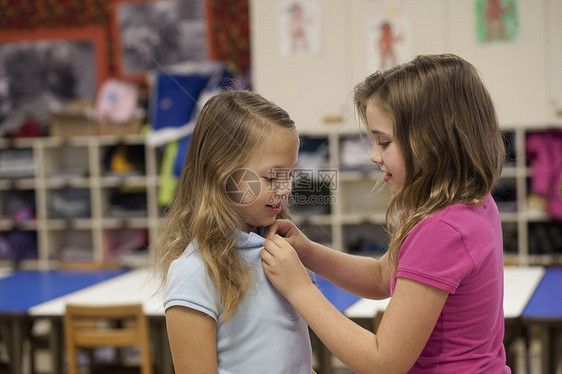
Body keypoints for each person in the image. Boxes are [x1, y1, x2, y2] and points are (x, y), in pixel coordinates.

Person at [261, 53, 511, 373]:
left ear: (433, 141)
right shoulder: (471, 203)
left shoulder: (443, 229)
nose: (374, 155)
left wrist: (300, 289)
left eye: (384, 142)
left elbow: (383, 362)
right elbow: (382, 277)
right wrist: (307, 252)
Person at [153, 90, 314, 373]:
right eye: (271, 176)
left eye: (290, 174)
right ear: (222, 174)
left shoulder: (279, 253)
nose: (286, 188)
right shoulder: (193, 273)